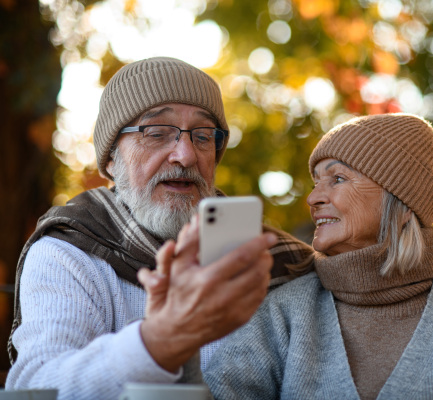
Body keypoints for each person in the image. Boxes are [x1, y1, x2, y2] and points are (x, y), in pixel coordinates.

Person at [6, 57, 312, 399]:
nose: (185, 155)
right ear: (110, 159)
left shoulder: (280, 263)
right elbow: (38, 388)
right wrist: (159, 342)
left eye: (203, 136)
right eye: (156, 133)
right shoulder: (70, 252)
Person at [196, 113, 433, 399]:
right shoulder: (284, 311)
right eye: (316, 182)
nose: (313, 198)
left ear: (399, 197)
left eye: (337, 179)